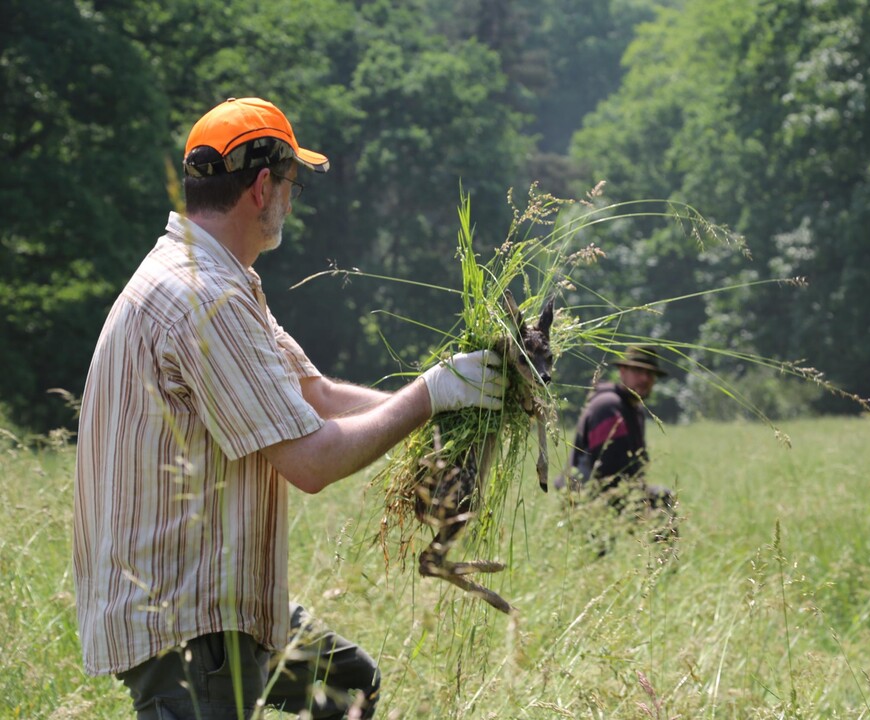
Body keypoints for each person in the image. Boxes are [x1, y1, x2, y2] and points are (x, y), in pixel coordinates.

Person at [72, 97, 506, 720]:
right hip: (188, 623)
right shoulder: (201, 298)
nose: (292, 199)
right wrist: (432, 392)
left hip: (222, 606)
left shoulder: (221, 281)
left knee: (348, 687)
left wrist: (448, 412)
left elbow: (314, 395)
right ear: (261, 186)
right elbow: (309, 462)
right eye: (292, 182)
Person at [560, 345, 678, 543]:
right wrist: (637, 504)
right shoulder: (608, 406)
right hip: (588, 500)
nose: (645, 379)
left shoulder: (634, 408)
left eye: (650, 374)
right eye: (638, 371)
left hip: (612, 495)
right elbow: (610, 470)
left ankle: (662, 569)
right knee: (660, 500)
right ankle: (660, 569)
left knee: (661, 497)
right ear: (623, 371)